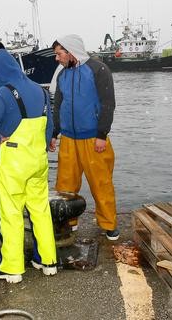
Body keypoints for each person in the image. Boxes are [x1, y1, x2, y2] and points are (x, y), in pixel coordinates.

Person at [0, 49, 58, 283]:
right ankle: (48, 261)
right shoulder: (41, 91)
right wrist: (41, 146)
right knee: (40, 210)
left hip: (15, 163)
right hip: (38, 162)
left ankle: (12, 268)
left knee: (11, 214)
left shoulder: (3, 94)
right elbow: (49, 127)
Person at [49, 35, 119, 240]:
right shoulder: (62, 75)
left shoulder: (98, 70)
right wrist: (54, 133)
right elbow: (58, 107)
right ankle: (68, 222)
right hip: (68, 140)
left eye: (59, 54)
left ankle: (108, 224)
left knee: (101, 183)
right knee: (65, 185)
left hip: (93, 139)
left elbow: (108, 103)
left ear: (71, 52)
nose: (57, 58)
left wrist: (101, 134)